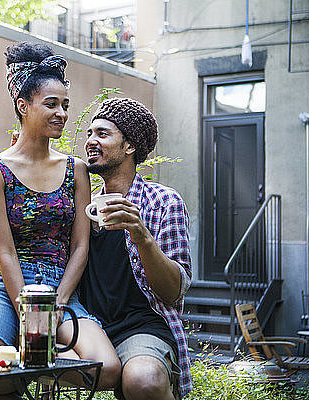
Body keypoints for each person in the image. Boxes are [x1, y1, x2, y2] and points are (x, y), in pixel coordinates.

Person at [0, 42, 120, 400]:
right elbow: (5, 252)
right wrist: (28, 315)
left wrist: (55, 307)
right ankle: (21, 371)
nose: (61, 113)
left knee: (106, 370)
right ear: (23, 106)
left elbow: (80, 247)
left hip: (60, 289)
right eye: (51, 104)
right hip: (7, 287)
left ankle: (32, 375)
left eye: (65, 106)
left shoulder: (75, 169)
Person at [79, 98, 193, 400]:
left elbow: (173, 291)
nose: (91, 141)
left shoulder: (163, 202)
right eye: (90, 133)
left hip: (141, 326)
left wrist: (141, 235)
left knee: (144, 380)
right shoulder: (79, 204)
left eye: (102, 134)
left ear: (128, 146)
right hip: (86, 326)